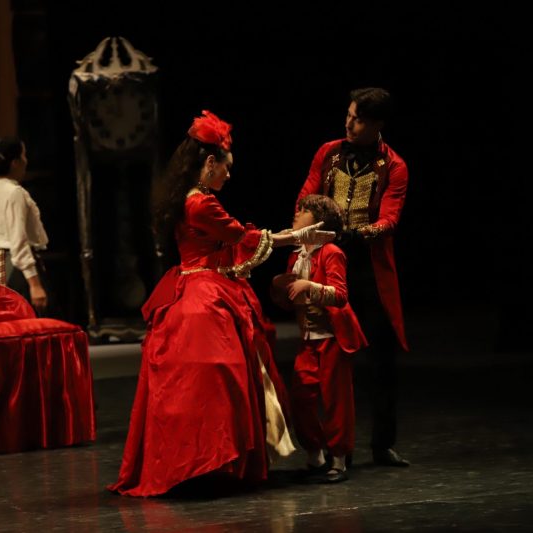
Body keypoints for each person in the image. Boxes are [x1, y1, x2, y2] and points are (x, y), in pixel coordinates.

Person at [108, 110, 335, 497]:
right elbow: (238, 237)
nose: (229, 175)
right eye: (226, 168)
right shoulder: (200, 204)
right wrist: (295, 237)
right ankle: (211, 460)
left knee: (207, 380)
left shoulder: (189, 197)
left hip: (192, 286)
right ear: (210, 162)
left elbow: (235, 239)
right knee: (221, 378)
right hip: (205, 294)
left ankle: (203, 462)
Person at [296, 87, 410, 467]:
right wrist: (310, 235)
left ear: (377, 124)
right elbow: (306, 197)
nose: (348, 123)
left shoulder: (393, 166)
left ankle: (382, 444)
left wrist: (358, 234)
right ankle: (331, 446)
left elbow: (390, 219)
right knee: (328, 358)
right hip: (330, 262)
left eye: (358, 119)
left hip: (368, 270)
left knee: (382, 359)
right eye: (348, 115)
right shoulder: (328, 153)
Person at [271, 194, 367, 483]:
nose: (296, 214)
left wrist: (309, 286)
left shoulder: (331, 252)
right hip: (309, 339)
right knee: (300, 397)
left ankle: (339, 459)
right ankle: (316, 455)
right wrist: (283, 290)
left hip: (332, 337)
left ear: (319, 221)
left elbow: (340, 295)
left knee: (337, 401)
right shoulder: (296, 255)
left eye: (303, 211)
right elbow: (292, 297)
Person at [0, 137, 50, 315]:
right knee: (30, 325)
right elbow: (18, 243)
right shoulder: (14, 193)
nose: (26, 161)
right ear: (15, 163)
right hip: (14, 271)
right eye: (24, 155)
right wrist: (35, 285)